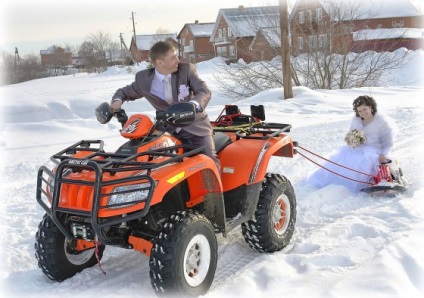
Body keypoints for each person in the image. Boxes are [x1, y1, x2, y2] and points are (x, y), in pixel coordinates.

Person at [109, 41, 219, 167]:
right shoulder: (143, 79)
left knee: (209, 162)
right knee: (153, 165)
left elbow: (204, 91)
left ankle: (215, 187)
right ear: (159, 62)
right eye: (173, 58)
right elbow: (123, 92)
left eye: (176, 56)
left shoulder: (186, 70)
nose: (177, 60)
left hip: (195, 129)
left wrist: (193, 105)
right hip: (167, 132)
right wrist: (116, 103)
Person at [305, 95, 397, 192]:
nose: (362, 113)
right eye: (359, 111)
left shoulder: (380, 120)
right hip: (358, 147)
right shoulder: (356, 119)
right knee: (343, 156)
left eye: (365, 109)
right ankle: (335, 183)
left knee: (364, 160)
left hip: (376, 149)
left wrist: (384, 153)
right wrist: (351, 141)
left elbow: (388, 140)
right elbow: (351, 133)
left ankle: (369, 182)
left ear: (371, 107)